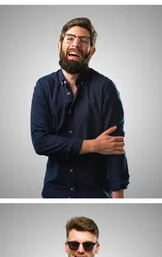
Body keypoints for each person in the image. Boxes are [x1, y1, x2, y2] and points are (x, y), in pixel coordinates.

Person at [31, 17, 129, 198]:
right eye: (70, 38)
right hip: (55, 192)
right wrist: (93, 145)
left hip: (96, 192)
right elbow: (41, 142)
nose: (75, 44)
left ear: (91, 51)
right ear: (59, 45)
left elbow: (114, 147)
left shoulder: (104, 88)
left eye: (83, 41)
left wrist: (118, 198)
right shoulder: (44, 87)